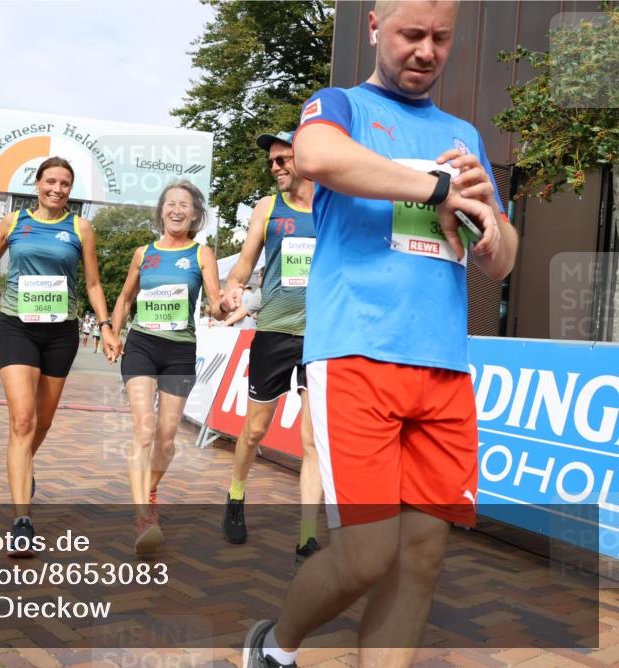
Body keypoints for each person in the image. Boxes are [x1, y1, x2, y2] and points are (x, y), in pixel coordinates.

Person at [242, 3, 518, 667]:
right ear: (374, 27)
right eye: (411, 34)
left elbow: (503, 258)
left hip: (445, 367)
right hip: (358, 357)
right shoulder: (340, 106)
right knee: (367, 556)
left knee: (420, 559)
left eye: (441, 38)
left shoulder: (463, 134)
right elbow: (315, 155)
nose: (426, 51)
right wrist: (436, 187)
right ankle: (275, 647)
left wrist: (487, 223)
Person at [0, 156, 120, 554]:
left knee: (42, 421)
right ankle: (22, 519)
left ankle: (22, 467)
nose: (57, 189)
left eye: (65, 184)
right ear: (37, 184)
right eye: (51, 181)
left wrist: (106, 326)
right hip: (18, 327)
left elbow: (91, 282)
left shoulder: (79, 227)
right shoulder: (13, 222)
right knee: (22, 419)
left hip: (60, 333)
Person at [220, 130, 322, 564]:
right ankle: (236, 494)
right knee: (256, 429)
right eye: (272, 162)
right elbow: (244, 263)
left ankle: (307, 536)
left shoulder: (332, 205)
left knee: (314, 441)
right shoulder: (267, 207)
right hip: (275, 330)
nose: (276, 167)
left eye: (284, 159)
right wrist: (232, 288)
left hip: (321, 336)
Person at [111, 180, 224, 554]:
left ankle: (150, 488)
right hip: (142, 345)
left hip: (179, 351)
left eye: (185, 205)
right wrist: (111, 332)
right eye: (171, 204)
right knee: (143, 429)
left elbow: (214, 302)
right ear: (161, 210)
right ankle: (144, 516)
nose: (177, 210)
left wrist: (226, 303)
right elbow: (126, 298)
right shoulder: (144, 253)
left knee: (166, 438)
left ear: (195, 214)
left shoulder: (201, 253)